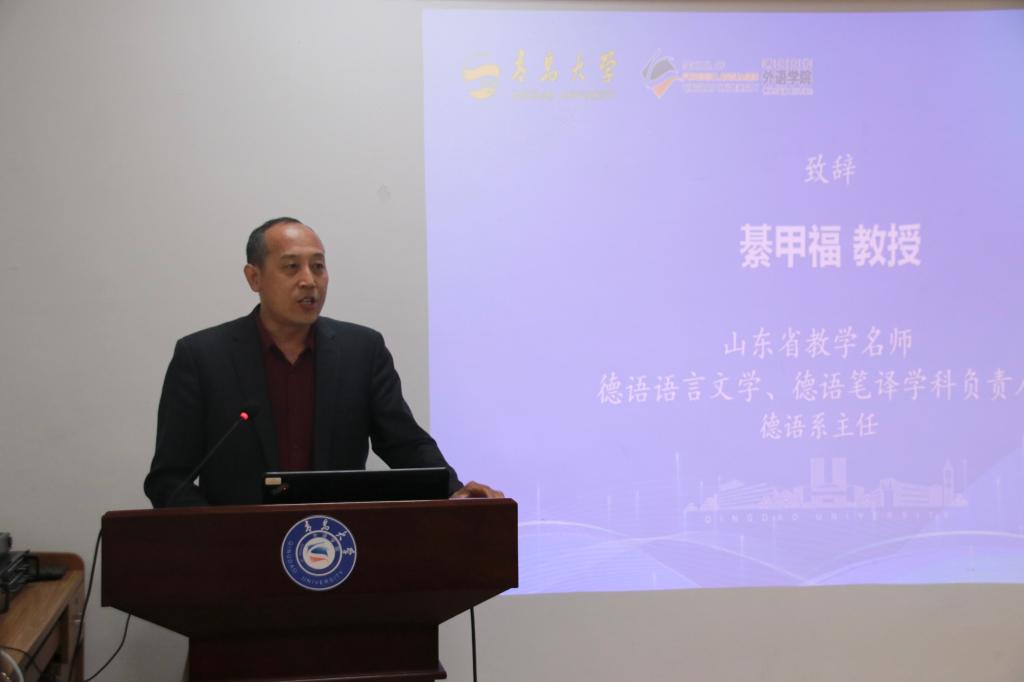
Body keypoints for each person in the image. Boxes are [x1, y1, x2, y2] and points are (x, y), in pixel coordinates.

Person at [144, 217, 501, 507]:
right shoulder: (202, 357)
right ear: (254, 278)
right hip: (240, 553)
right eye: (291, 267)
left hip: (337, 547)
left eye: (318, 267)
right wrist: (217, 534)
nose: (309, 281)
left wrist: (453, 491)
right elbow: (169, 478)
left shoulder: (362, 350)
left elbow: (404, 443)